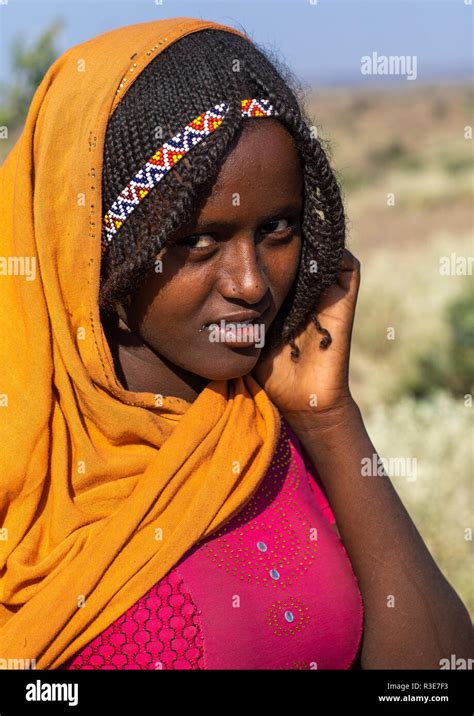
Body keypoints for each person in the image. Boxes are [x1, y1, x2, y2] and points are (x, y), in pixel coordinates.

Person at [0, 17, 471, 671]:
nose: (252, 283)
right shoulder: (25, 463)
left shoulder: (267, 437)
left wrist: (330, 421)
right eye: (199, 239)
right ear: (93, 248)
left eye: (276, 228)